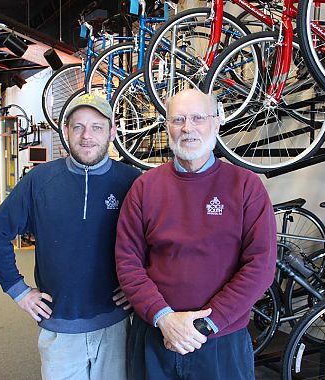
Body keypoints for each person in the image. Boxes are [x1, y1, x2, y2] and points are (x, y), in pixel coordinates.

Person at [114, 89, 277, 379]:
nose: (187, 128)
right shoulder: (144, 188)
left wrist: (204, 326)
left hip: (221, 340)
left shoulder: (245, 186)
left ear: (216, 124)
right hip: (156, 334)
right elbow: (128, 262)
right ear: (167, 128)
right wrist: (164, 318)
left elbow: (260, 267)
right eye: (178, 119)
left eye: (198, 118)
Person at [0, 93, 141, 380]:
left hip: (116, 324)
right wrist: (18, 291)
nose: (87, 136)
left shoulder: (132, 182)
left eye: (96, 127)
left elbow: (155, 242)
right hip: (59, 328)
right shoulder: (40, 180)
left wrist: (140, 287)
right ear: (65, 131)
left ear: (112, 132)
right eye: (78, 126)